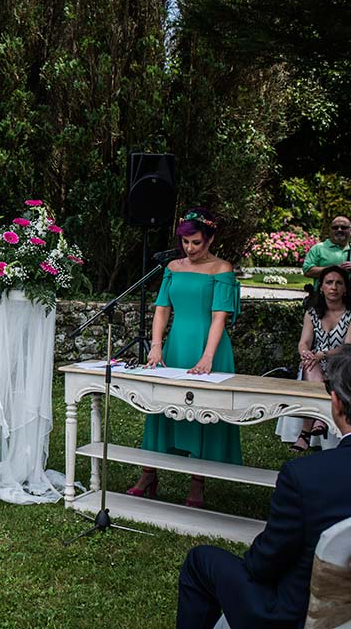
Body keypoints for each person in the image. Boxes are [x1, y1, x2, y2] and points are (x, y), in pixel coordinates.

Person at [176, 345, 351, 629]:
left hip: (294, 614)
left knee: (200, 561)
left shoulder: (305, 476)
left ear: (336, 402)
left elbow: (262, 565)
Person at [129, 208, 242, 508]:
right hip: (176, 345)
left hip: (209, 345)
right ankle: (149, 473)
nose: (190, 249)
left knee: (201, 409)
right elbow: (162, 309)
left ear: (210, 239)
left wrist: (208, 357)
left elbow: (220, 316)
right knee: (159, 406)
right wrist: (156, 345)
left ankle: (197, 483)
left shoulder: (222, 269)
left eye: (196, 243)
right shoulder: (173, 267)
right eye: (186, 243)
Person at [280, 265, 351, 452]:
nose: (333, 287)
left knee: (326, 366)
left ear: (345, 289)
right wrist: (306, 353)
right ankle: (314, 425)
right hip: (316, 364)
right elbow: (303, 342)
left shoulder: (350, 314)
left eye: (339, 283)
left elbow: (347, 348)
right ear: (321, 287)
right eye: (329, 283)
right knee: (309, 366)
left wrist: (323, 354)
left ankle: (312, 427)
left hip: (343, 365)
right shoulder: (312, 313)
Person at [302, 215, 351, 285]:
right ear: (330, 230)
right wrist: (334, 269)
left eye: (344, 227)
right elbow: (307, 271)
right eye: (335, 227)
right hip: (323, 295)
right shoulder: (318, 249)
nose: (339, 230)